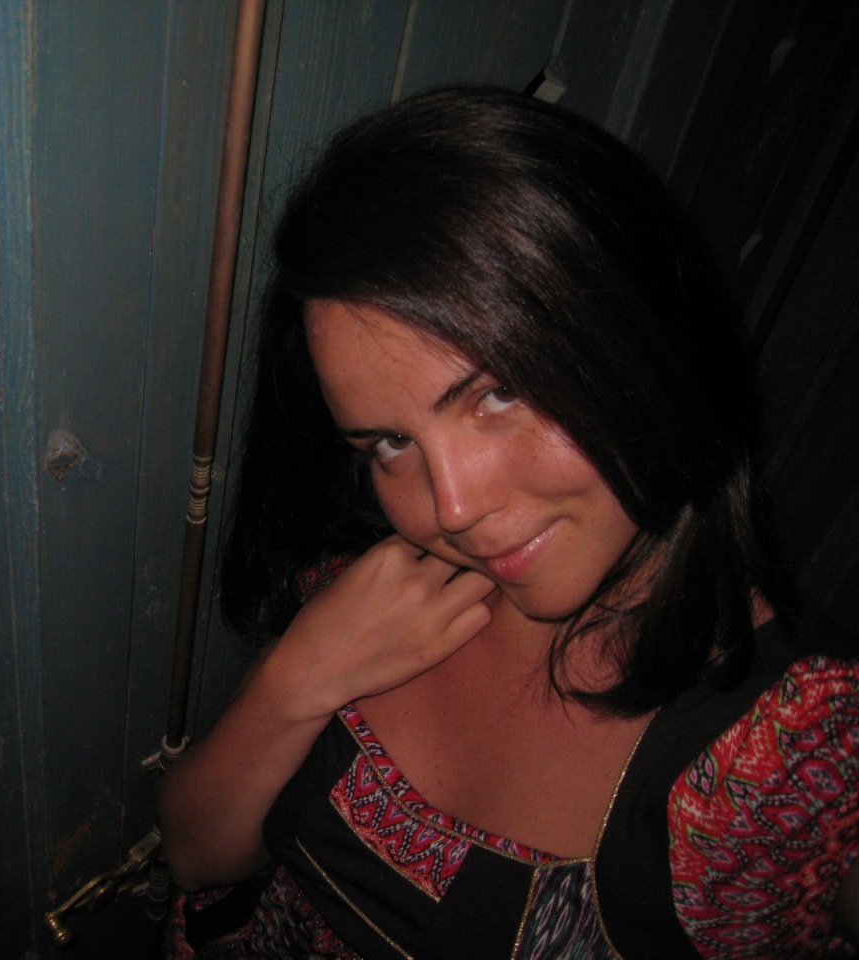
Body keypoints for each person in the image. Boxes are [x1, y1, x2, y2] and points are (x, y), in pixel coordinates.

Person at [157, 85, 859, 958]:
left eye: (497, 393)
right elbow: (197, 855)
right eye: (389, 442)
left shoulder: (793, 753)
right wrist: (298, 678)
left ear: (636, 336)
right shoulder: (370, 560)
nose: (452, 508)